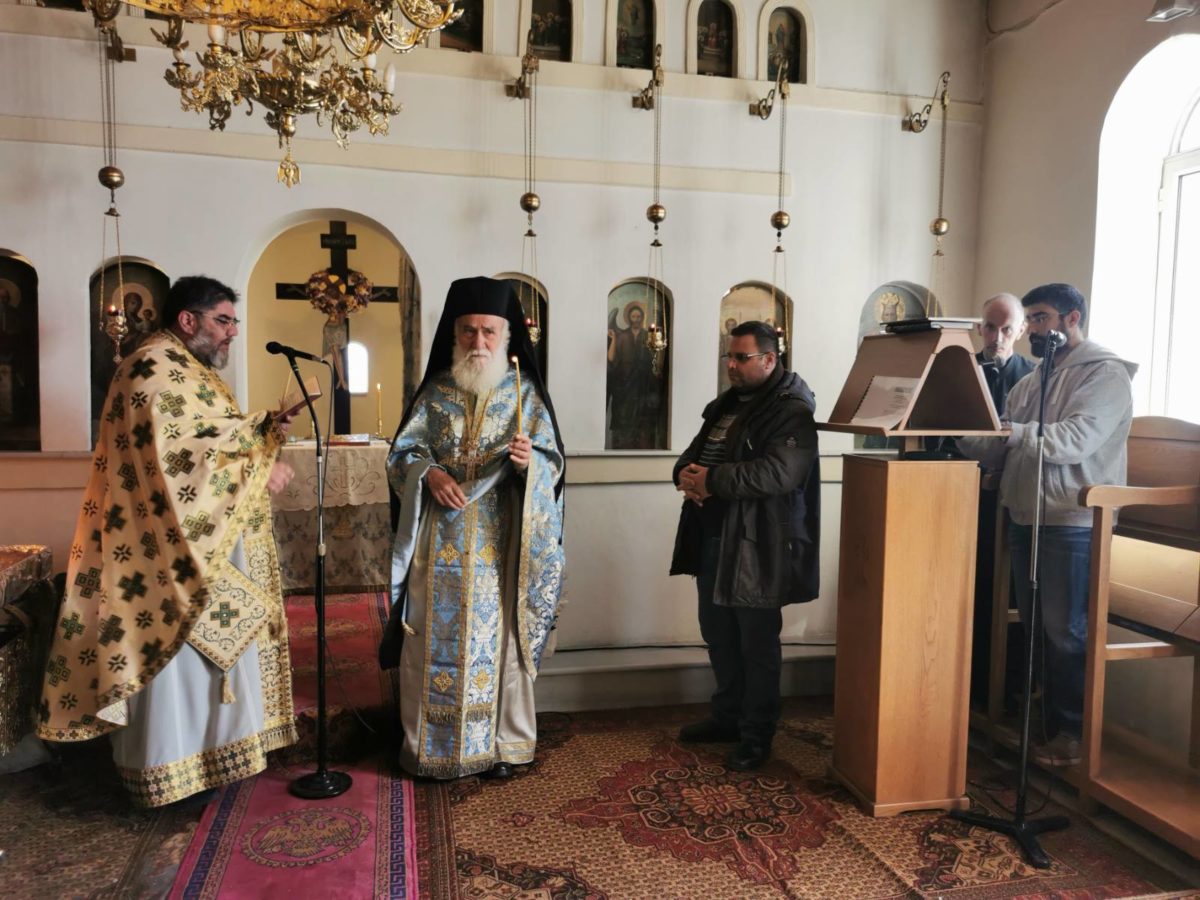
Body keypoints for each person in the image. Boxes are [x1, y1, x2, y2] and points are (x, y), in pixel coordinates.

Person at [37, 275, 299, 806]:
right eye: (223, 321)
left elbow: (208, 439)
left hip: (203, 539)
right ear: (187, 319)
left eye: (233, 322)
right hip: (162, 550)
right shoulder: (151, 366)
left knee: (215, 653)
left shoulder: (187, 368)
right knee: (178, 658)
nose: (232, 332)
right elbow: (176, 457)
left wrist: (260, 437)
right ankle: (172, 769)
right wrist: (255, 452)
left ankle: (212, 760)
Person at [382, 276, 565, 780]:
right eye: (468, 331)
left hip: (498, 544)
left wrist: (530, 464)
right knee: (431, 639)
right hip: (438, 542)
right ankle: (432, 748)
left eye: (488, 331)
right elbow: (402, 454)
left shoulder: (525, 394)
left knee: (498, 641)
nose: (478, 342)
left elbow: (551, 466)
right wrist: (430, 473)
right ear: (454, 333)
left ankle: (501, 744)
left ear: (506, 335)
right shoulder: (435, 392)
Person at [958, 283, 1136, 766]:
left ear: (1071, 319)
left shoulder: (1105, 374)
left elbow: (1075, 439)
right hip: (1026, 513)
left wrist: (1011, 432)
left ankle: (1071, 734)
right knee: (1036, 625)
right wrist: (961, 427)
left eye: (1040, 318)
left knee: (1065, 630)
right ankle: (1042, 722)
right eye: (1031, 319)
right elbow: (1000, 439)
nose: (1033, 329)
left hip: (1071, 518)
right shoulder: (1036, 379)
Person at [670, 321, 820, 771]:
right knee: (718, 635)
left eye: (741, 358)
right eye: (729, 357)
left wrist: (712, 480)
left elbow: (780, 473)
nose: (731, 366)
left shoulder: (792, 410)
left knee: (756, 643)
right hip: (712, 535)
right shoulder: (727, 404)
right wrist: (685, 474)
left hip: (757, 543)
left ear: (769, 359)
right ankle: (727, 718)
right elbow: (694, 453)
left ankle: (757, 735)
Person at [969, 293, 1035, 710]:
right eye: (990, 327)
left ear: (1021, 330)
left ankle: (1008, 692)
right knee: (972, 590)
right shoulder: (961, 372)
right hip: (967, 497)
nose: (997, 337)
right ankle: (971, 687)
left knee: (1011, 595)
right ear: (980, 328)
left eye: (1007, 328)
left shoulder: (1036, 377)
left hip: (1013, 498)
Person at [606, 301, 664, 449]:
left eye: (639, 316)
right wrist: (613, 339)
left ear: (642, 318)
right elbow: (611, 358)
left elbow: (657, 361)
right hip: (625, 385)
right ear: (629, 318)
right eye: (633, 316)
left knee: (644, 419)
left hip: (644, 384)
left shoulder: (649, 336)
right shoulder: (622, 335)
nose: (636, 319)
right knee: (624, 418)